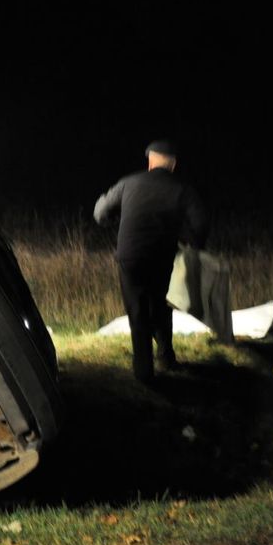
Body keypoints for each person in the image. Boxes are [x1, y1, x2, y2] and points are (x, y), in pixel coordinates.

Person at [94, 139, 209, 383]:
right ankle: (166, 357)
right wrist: (191, 243)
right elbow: (200, 223)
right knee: (159, 304)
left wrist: (114, 222)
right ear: (174, 164)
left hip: (130, 256)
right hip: (162, 255)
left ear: (150, 161)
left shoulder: (128, 183)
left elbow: (100, 213)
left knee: (137, 310)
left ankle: (144, 372)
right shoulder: (183, 189)